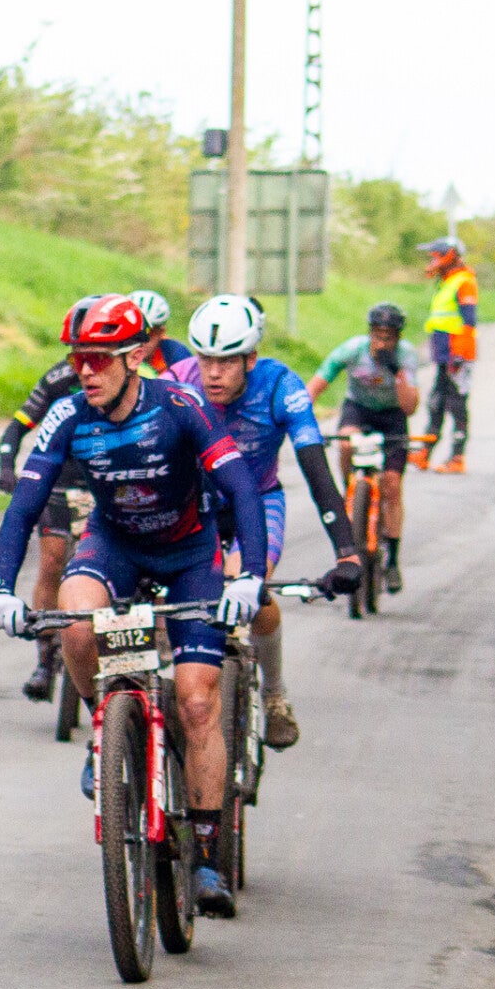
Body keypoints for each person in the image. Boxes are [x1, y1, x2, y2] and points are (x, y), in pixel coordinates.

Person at [0, 294, 270, 915]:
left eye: (99, 359)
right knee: (76, 623)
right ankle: (104, 730)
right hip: (115, 547)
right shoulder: (68, 415)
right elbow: (24, 506)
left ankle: (206, 853)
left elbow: (241, 489)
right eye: (77, 359)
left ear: (134, 357)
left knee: (197, 702)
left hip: (189, 554)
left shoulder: (181, 406)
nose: (86, 372)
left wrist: (248, 576)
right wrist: (0, 588)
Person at [185, 294, 362, 750]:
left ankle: (275, 693)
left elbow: (318, 473)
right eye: (205, 359)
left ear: (251, 359)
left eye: (227, 362)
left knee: (248, 588)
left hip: (260, 502)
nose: (213, 373)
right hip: (196, 506)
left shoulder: (282, 387)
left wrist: (347, 552)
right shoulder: (178, 381)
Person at [308, 303, 421, 592]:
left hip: (393, 415)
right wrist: (299, 419)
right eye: (378, 334)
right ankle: (351, 489)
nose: (382, 342)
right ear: (370, 332)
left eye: (389, 336)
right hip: (358, 409)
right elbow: (317, 385)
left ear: (398, 337)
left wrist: (396, 372)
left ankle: (392, 560)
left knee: (392, 485)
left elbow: (409, 407)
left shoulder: (406, 356)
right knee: (346, 441)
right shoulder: (352, 350)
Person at [0, 356, 88, 700]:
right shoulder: (57, 380)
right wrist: (6, 465)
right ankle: (45, 658)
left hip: (101, 482)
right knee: (51, 561)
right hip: (59, 483)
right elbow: (17, 427)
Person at [412, 237, 478, 473]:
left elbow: (469, 322)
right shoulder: (447, 282)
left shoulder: (464, 282)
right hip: (443, 354)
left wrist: (459, 355)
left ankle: (457, 458)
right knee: (436, 402)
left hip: (456, 356)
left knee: (456, 404)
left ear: (449, 256)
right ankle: (424, 453)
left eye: (436, 257)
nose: (432, 262)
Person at [128, 290, 193, 377]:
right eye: (133, 331)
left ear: (161, 332)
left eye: (148, 332)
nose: (139, 340)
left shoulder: (177, 356)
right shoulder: (113, 348)